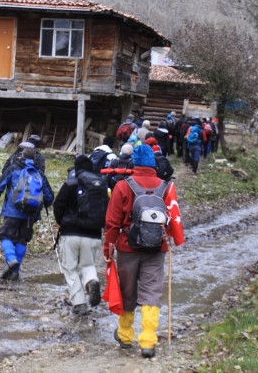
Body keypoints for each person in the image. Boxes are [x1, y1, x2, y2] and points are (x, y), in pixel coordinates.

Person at [103, 144, 185, 359]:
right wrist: (175, 238)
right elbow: (173, 216)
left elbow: (112, 222)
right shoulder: (165, 187)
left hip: (127, 247)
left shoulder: (122, 186)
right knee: (152, 292)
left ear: (135, 163)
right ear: (153, 164)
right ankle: (148, 342)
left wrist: (108, 247)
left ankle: (125, 335)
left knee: (127, 292)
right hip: (156, 247)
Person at [0, 147, 54, 280]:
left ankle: (11, 259)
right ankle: (15, 271)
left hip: (12, 211)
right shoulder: (39, 173)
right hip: (31, 214)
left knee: (5, 236)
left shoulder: (14, 168)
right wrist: (45, 204)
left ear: (21, 156)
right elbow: (49, 197)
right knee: (22, 240)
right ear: (35, 159)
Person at [53, 155, 105, 316]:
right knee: (87, 265)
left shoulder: (70, 183)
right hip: (94, 234)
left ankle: (79, 303)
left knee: (70, 268)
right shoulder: (101, 185)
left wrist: (62, 222)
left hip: (71, 233)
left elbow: (58, 205)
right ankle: (91, 281)